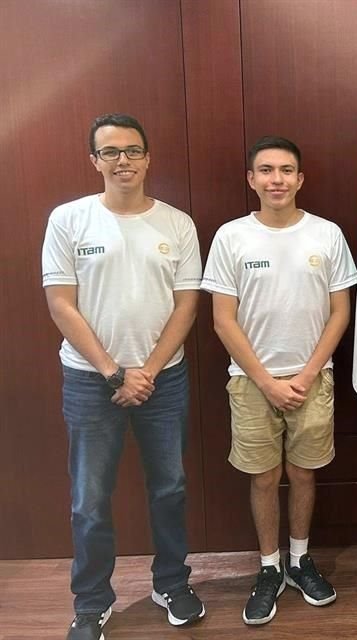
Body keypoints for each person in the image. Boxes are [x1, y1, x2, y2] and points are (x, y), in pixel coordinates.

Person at [42, 113, 205, 640]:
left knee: (170, 488)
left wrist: (147, 373)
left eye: (132, 151)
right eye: (110, 153)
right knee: (89, 498)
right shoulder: (68, 220)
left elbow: (186, 307)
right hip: (91, 382)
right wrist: (115, 374)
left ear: (148, 158)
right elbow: (62, 305)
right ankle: (91, 603)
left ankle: (171, 583)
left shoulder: (177, 223)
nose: (123, 161)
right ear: (94, 161)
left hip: (163, 380)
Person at [202, 136, 357, 625]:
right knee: (264, 476)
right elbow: (223, 320)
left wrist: (309, 373)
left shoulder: (327, 234)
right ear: (251, 179)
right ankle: (269, 567)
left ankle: (300, 560)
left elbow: (340, 312)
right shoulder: (231, 237)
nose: (277, 180)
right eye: (266, 171)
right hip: (251, 383)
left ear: (300, 179)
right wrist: (267, 381)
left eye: (286, 171)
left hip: (314, 379)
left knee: (305, 472)